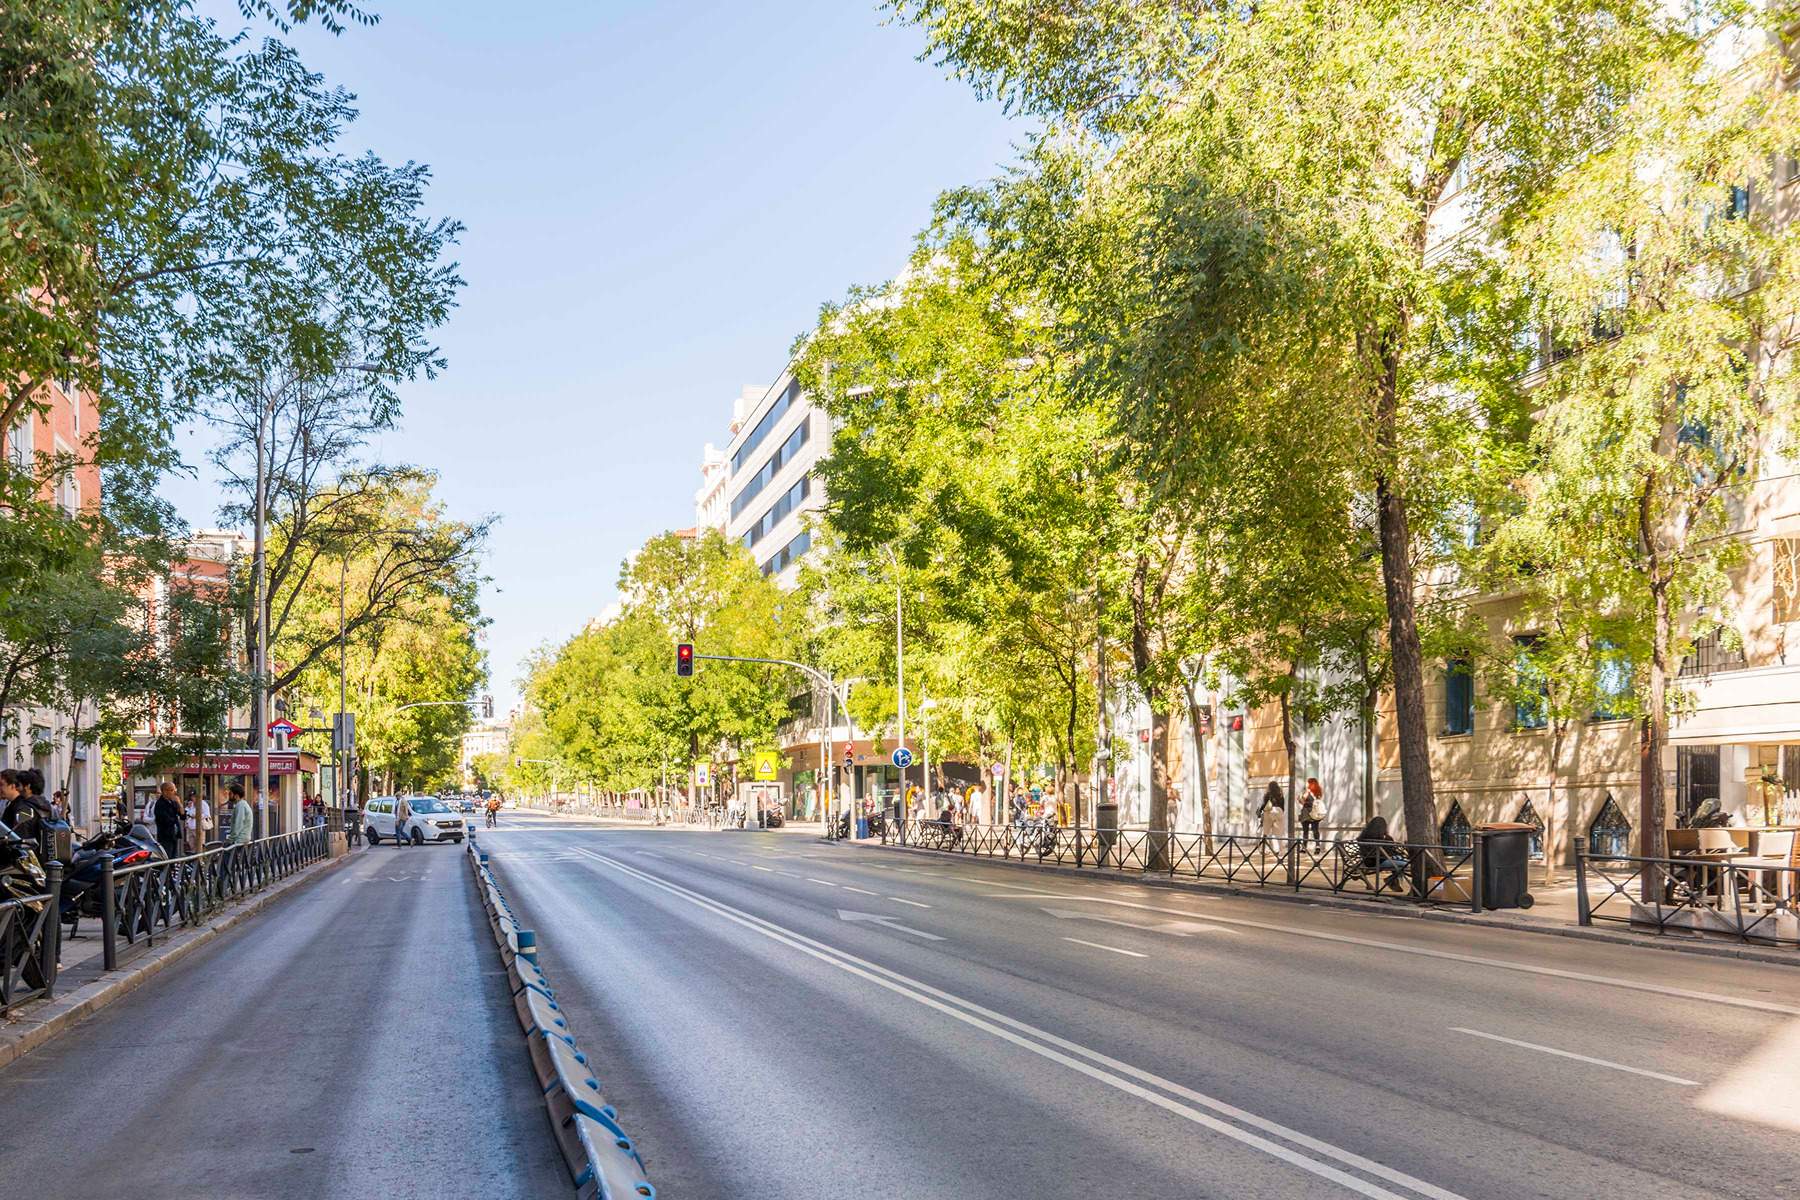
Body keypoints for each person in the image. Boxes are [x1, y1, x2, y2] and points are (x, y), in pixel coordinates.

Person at [1355, 816, 1410, 892]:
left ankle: (1393, 880)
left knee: (1399, 861)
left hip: (1367, 863)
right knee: (1406, 863)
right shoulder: (1386, 838)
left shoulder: (1363, 837)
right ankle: (1392, 879)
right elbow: (1391, 852)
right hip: (1380, 862)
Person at [152, 781, 183, 860]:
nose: (174, 792)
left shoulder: (173, 802)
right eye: (172, 790)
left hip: (174, 835)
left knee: (173, 859)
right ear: (165, 792)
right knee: (167, 859)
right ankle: (167, 872)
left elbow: (183, 816)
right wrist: (176, 817)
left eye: (174, 790)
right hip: (166, 836)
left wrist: (179, 804)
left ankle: (171, 871)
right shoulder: (160, 804)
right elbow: (167, 821)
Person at [1299, 778, 1324, 847]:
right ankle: (1317, 846)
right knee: (1315, 830)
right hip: (1315, 814)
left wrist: (1299, 799)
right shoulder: (1318, 793)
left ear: (1310, 783)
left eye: (1307, 782)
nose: (1306, 783)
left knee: (1305, 831)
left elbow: (1302, 802)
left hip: (1306, 814)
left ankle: (1304, 847)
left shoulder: (1307, 792)